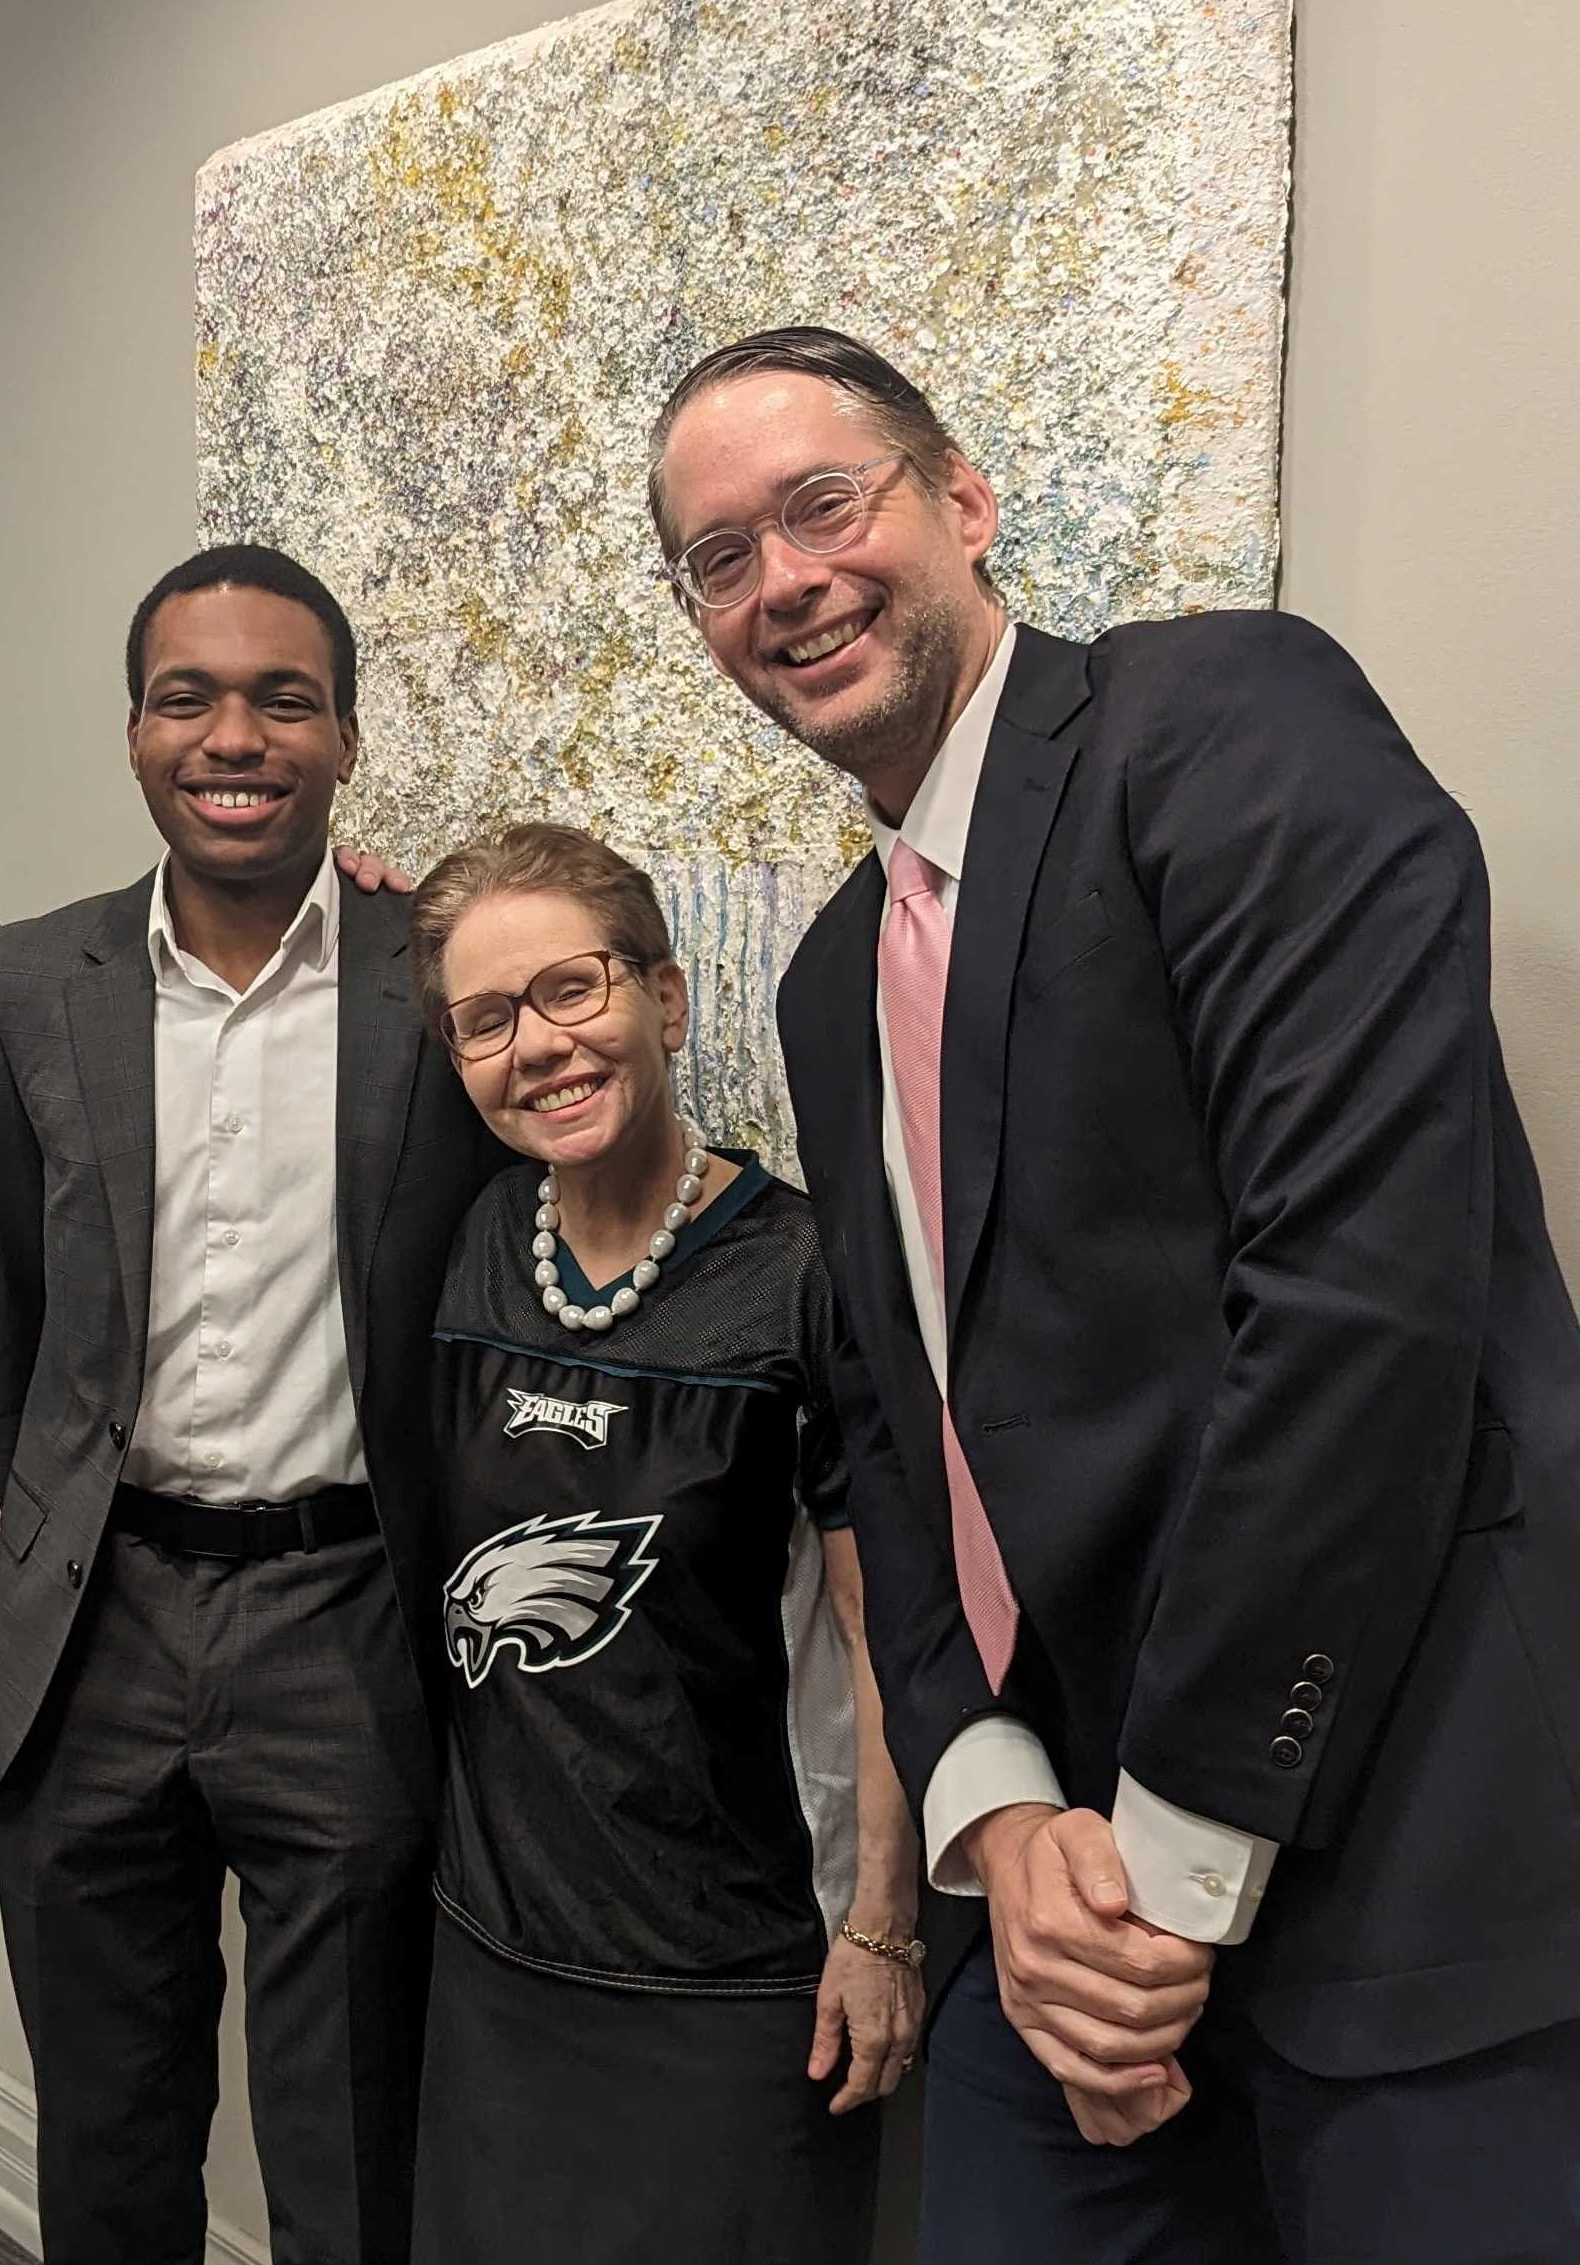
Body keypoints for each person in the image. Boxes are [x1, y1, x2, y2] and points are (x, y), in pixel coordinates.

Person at [646, 323, 1580, 2262]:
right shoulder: (836, 975)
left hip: (1401, 1858)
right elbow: (895, 1442)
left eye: (823, 505)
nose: (782, 581)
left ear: (966, 502)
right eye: (717, 558)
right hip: (1055, 1879)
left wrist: (1162, 1861)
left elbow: (1356, 1310)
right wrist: (998, 1816)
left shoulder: (1222, 717)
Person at [0, 542, 503, 2265]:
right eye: (189, 696)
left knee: (350, 2148)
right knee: (107, 2150)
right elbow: (5, 1308)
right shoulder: (22, 987)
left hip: (349, 1624)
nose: (233, 734)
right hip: (95, 1627)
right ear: (135, 731)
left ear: (344, 736)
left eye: (284, 697)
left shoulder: (445, 975)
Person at [401, 822, 922, 2264]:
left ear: (668, 1000)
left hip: (733, 1978)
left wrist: (882, 1924)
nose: (540, 1045)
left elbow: (887, 1636)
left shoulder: (802, 1274)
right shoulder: (472, 1244)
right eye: (487, 1018)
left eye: (574, 989)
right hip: (494, 1956)